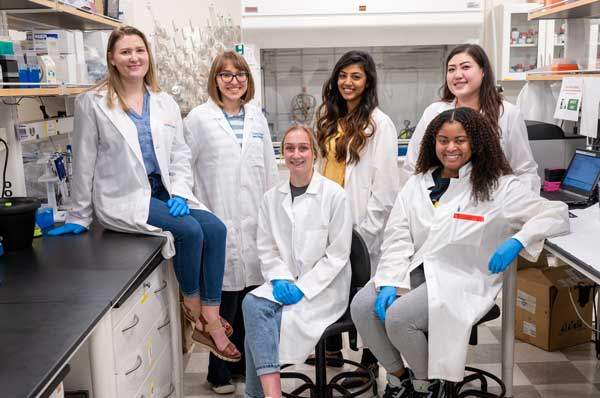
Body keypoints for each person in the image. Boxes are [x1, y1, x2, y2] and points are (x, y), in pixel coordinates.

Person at [47, 25, 240, 362]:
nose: (134, 57)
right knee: (190, 231)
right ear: (112, 58)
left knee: (216, 229)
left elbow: (179, 154)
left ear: (148, 55)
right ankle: (199, 315)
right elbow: (84, 160)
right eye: (125, 52)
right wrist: (79, 215)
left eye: (139, 50)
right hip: (125, 196)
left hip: (165, 191)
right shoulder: (92, 103)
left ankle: (209, 315)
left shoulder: (164, 102)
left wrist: (180, 191)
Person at [351, 107, 569, 398]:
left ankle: (427, 384)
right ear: (433, 143)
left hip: (462, 275)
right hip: (418, 267)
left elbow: (556, 212)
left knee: (400, 317)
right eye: (443, 140)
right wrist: (389, 278)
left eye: (460, 140)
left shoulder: (498, 187)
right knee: (362, 307)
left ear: (476, 143)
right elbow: (397, 235)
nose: (450, 147)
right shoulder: (418, 184)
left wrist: (518, 240)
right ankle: (398, 377)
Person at [183, 51, 279, 394]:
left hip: (254, 221)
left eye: (239, 74)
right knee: (222, 299)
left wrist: (274, 216)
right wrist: (192, 208)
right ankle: (218, 373)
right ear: (215, 80)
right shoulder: (198, 118)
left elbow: (268, 170)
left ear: (247, 80)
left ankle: (241, 371)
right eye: (226, 75)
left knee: (250, 298)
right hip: (215, 217)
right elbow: (184, 168)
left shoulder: (257, 119)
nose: (233, 80)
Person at [242, 125, 352, 398]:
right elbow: (266, 248)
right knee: (252, 305)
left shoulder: (334, 195)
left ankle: (260, 395)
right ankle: (272, 395)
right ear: (283, 155)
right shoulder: (271, 198)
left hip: (323, 288)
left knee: (255, 327)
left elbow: (337, 254)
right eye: (289, 148)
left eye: (303, 148)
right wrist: (279, 277)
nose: (296, 154)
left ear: (314, 154)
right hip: (284, 281)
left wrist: (303, 288)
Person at [313, 49, 399, 383]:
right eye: (343, 75)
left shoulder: (380, 124)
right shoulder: (330, 117)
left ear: (367, 82)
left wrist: (366, 231)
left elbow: (386, 188)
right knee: (330, 286)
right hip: (329, 218)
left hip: (361, 223)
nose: (348, 82)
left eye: (356, 76)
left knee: (365, 294)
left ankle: (369, 362)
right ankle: (332, 351)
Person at [400, 43, 540, 193]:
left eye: (465, 67)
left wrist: (517, 206)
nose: (457, 75)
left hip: (490, 204)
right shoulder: (433, 112)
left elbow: (525, 171)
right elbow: (413, 166)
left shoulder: (507, 113)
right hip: (440, 202)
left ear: (483, 71)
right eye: (451, 69)